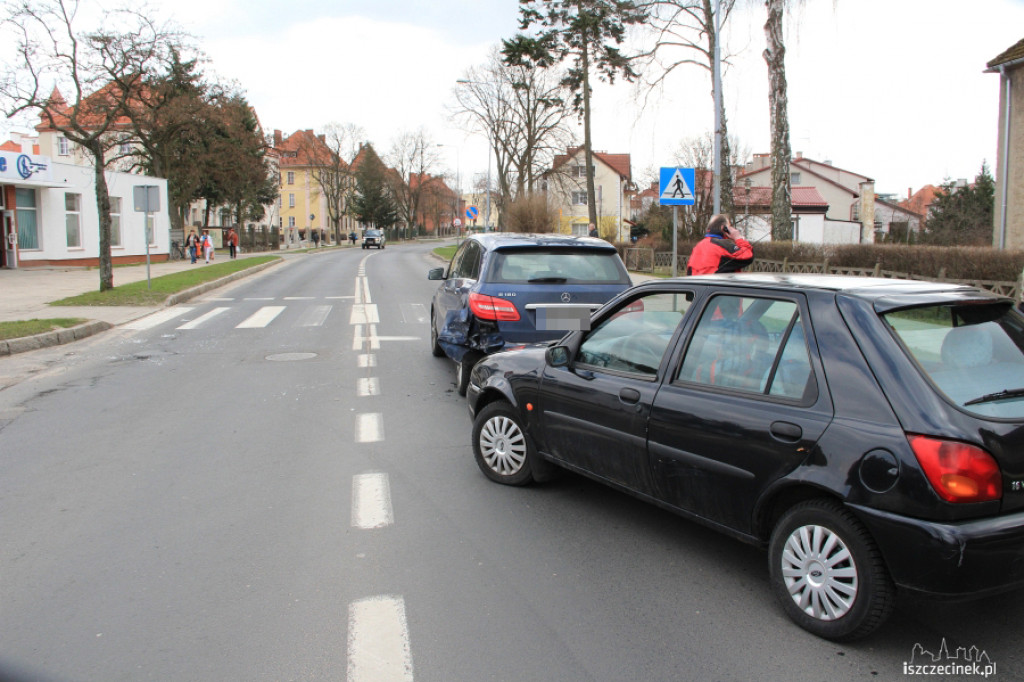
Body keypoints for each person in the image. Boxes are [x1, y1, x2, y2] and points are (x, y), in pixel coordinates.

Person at [686, 214, 754, 275]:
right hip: (717, 287)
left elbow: (690, 271)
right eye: (729, 226)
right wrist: (738, 238)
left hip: (697, 286)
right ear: (724, 228)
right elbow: (748, 256)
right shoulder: (723, 245)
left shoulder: (698, 246)